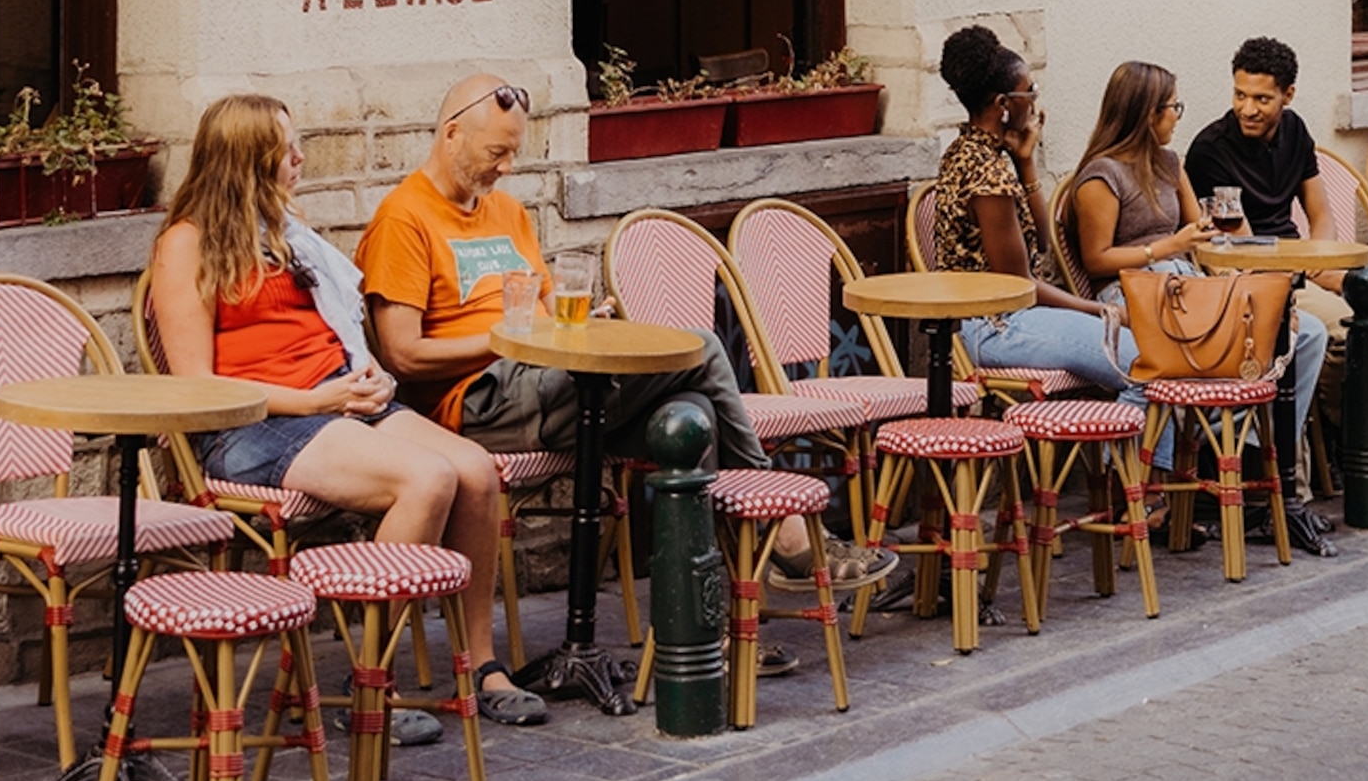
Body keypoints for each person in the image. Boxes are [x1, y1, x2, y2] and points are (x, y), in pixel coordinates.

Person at [359, 74, 893, 660]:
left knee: (689, 421)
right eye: (497, 153)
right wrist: (508, 340)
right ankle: (784, 530)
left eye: (515, 153)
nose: (507, 168)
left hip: (546, 385)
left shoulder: (508, 212)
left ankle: (701, 629)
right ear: (452, 133)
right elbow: (401, 355)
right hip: (478, 402)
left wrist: (578, 326)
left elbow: (542, 322)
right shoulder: (403, 218)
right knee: (701, 347)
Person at [152, 93, 522, 732]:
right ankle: (370, 686)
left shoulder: (282, 235)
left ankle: (481, 666)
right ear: (245, 161)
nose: (299, 159)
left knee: (476, 471)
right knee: (425, 478)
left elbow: (330, 333)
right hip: (254, 426)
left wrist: (362, 377)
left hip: (334, 396)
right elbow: (196, 386)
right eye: (284, 150)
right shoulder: (186, 245)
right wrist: (319, 400)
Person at [1181, 35, 1368, 480]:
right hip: (1263, 278)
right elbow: (1232, 246)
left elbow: (1320, 212)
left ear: (1287, 96)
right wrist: (1305, 272)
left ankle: (1355, 419)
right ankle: (1356, 434)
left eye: (1261, 99)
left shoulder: (1295, 130)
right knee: (1345, 334)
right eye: (1239, 95)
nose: (1247, 108)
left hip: (1309, 266)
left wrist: (1324, 262)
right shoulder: (1210, 150)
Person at [931, 26, 1149, 405]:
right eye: (1029, 91)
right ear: (1004, 103)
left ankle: (1139, 463)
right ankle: (1132, 466)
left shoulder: (966, 153)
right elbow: (1019, 286)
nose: (1034, 101)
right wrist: (1104, 311)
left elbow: (1043, 244)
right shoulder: (988, 177)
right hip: (997, 326)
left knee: (1146, 353)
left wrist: (1026, 160)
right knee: (1146, 364)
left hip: (1007, 318)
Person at [1068, 59, 1214, 302]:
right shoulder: (1102, 175)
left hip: (1179, 279)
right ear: (1149, 114)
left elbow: (1200, 230)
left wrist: (1228, 270)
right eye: (1173, 106)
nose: (1177, 117)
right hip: (1129, 289)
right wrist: (1169, 247)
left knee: (1277, 320)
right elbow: (1096, 261)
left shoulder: (1169, 162)